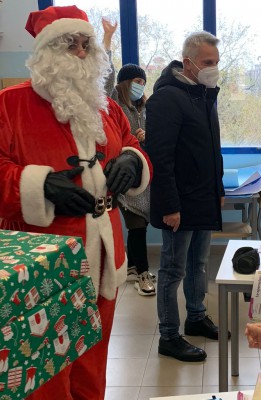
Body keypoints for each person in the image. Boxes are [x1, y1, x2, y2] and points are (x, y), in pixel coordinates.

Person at [0, 6, 152, 399]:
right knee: (45, 370)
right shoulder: (6, 106)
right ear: (46, 52)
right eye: (70, 44)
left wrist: (133, 164)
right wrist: (41, 185)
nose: (82, 52)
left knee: (93, 361)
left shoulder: (108, 107)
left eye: (86, 44)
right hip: (41, 263)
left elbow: (133, 144)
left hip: (103, 254)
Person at [145, 31, 226, 362]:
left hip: (204, 197)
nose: (214, 68)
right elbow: (159, 158)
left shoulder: (202, 94)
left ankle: (196, 316)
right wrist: (170, 206)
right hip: (179, 200)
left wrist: (218, 187)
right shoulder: (166, 98)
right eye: (208, 63)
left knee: (199, 262)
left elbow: (211, 149)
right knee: (173, 269)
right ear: (189, 62)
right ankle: (168, 335)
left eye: (217, 62)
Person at [102, 18, 156, 296]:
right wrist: (108, 41)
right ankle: (143, 274)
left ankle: (135, 266)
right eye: (136, 82)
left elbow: (153, 135)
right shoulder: (112, 101)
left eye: (143, 82)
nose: (141, 86)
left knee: (141, 223)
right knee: (136, 224)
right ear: (124, 83)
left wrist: (147, 136)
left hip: (142, 173)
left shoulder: (143, 107)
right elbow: (105, 75)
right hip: (120, 175)